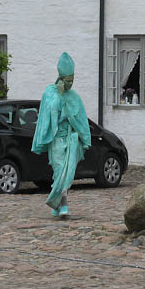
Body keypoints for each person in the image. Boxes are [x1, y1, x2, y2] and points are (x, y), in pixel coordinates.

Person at [31, 52, 91, 218]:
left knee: (68, 173)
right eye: (68, 81)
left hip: (71, 139)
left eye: (72, 80)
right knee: (59, 172)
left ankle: (60, 203)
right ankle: (60, 203)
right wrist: (58, 96)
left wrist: (85, 139)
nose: (70, 84)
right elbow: (49, 116)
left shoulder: (74, 96)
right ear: (60, 78)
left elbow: (81, 119)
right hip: (57, 139)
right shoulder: (50, 94)